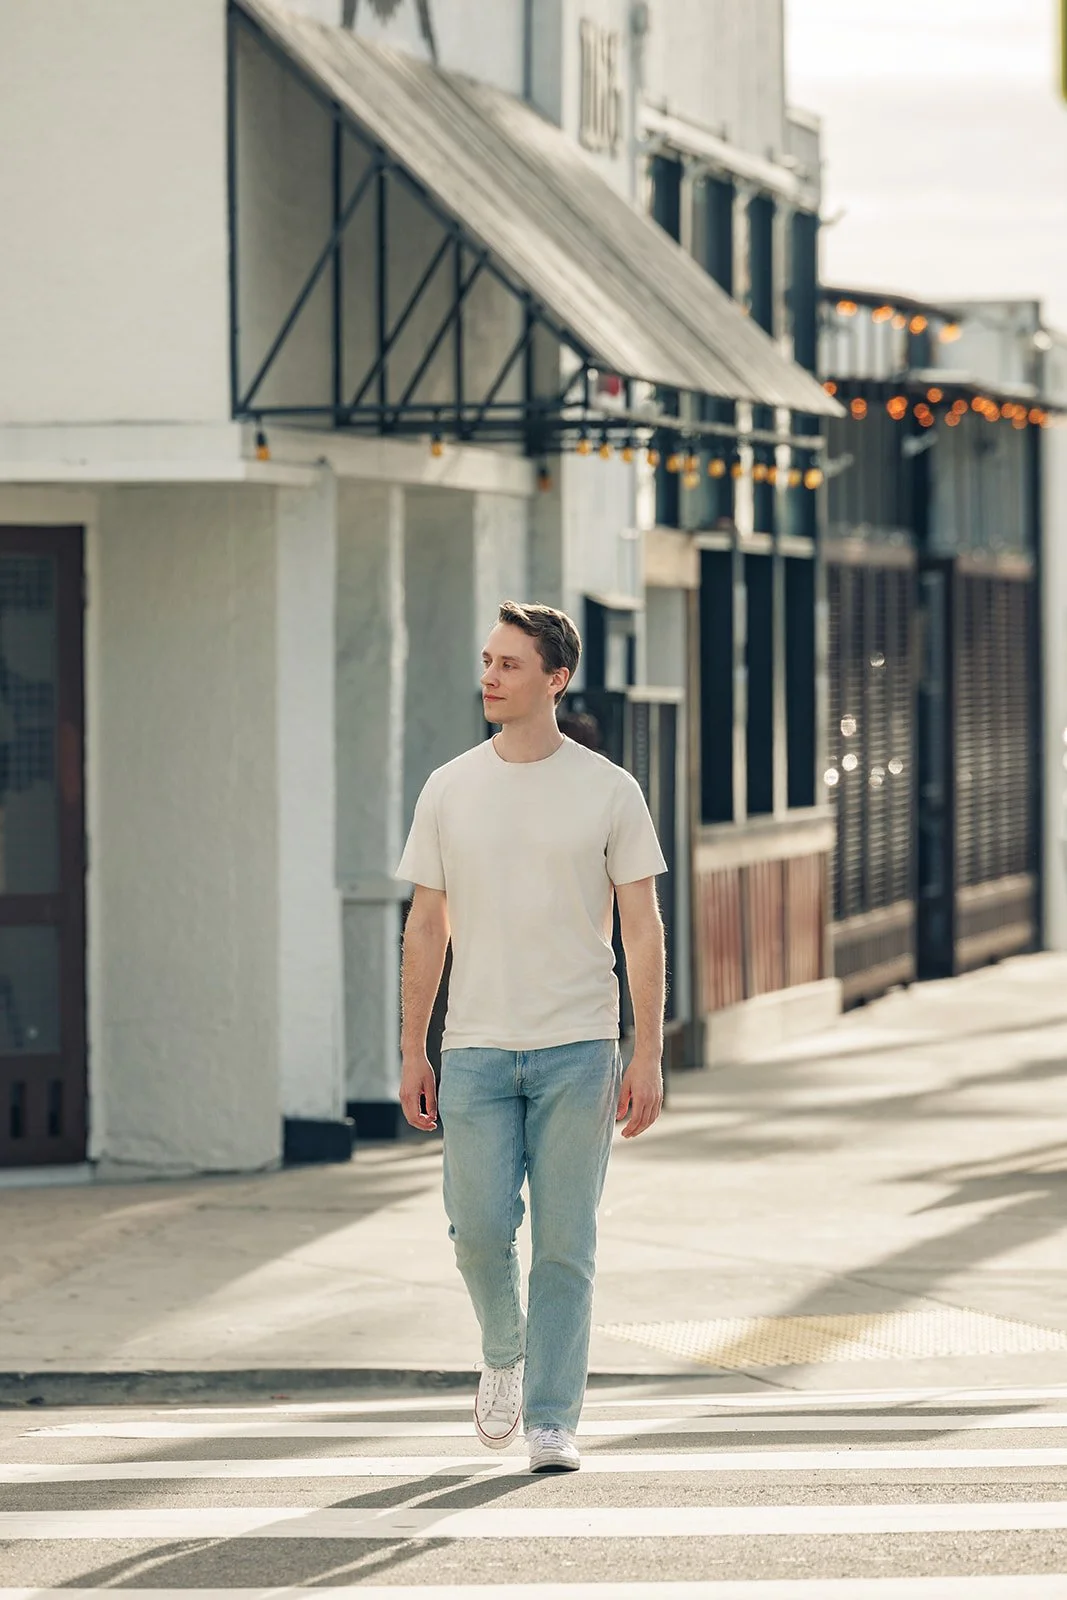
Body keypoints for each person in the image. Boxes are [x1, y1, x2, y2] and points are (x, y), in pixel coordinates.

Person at [395, 599, 667, 1473]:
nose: (489, 677)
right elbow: (425, 926)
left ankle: (551, 1416)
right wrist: (412, 1048)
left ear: (555, 678)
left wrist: (647, 1052)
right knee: (476, 1230)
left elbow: (643, 927)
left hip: (579, 1049)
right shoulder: (450, 785)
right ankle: (504, 1352)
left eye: (508, 665)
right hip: (473, 1048)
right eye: (485, 661)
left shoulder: (607, 790)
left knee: (564, 1241)